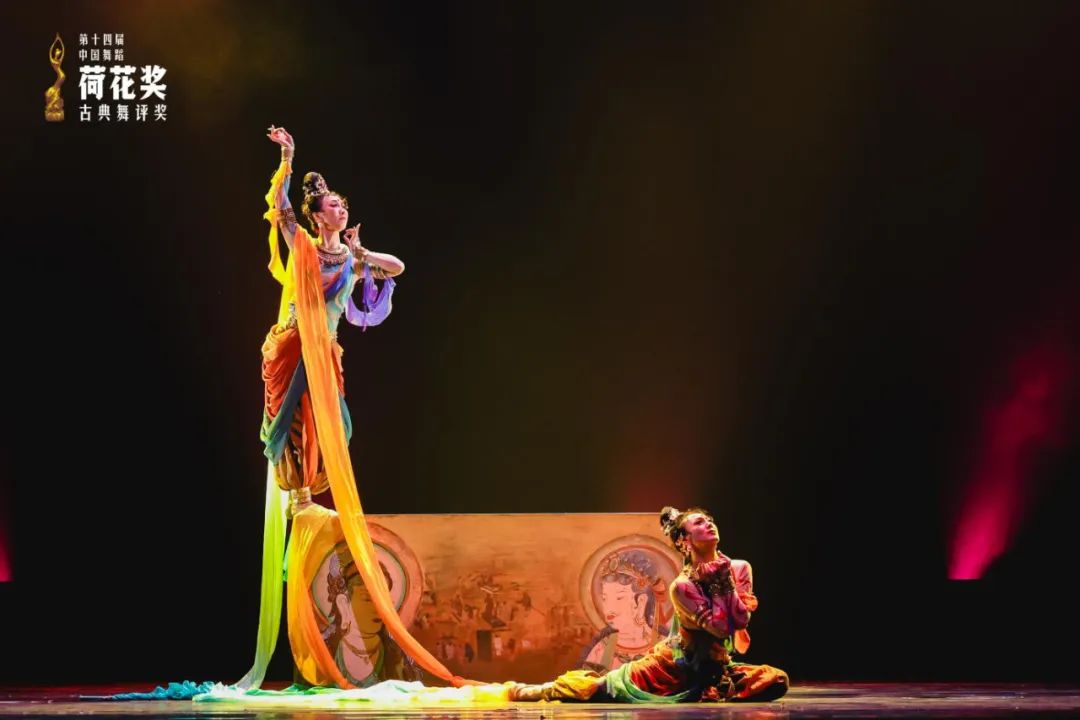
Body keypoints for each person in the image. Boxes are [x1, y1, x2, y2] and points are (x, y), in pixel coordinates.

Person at [507, 506, 789, 703]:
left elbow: (740, 621)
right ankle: (523, 691)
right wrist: (721, 584)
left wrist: (723, 576)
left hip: (714, 669)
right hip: (671, 668)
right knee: (599, 688)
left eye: (709, 520)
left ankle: (712, 687)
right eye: (699, 523)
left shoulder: (739, 568)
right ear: (684, 540)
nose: (708, 524)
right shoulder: (682, 586)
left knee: (777, 680)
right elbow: (720, 628)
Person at [261, 126, 404, 508]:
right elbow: (280, 204)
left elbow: (397, 267)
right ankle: (299, 497)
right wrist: (287, 157)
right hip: (295, 347)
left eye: (343, 206)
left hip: (324, 350)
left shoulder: (352, 262)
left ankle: (311, 494)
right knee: (293, 423)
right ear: (318, 217)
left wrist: (363, 254)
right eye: (334, 207)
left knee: (330, 425)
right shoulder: (302, 246)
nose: (342, 211)